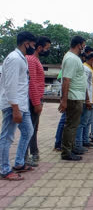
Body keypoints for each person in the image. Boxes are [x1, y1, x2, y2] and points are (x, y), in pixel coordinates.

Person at [0, 31, 37, 180]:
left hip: (21, 104)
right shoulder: (15, 59)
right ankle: (4, 169)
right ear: (26, 43)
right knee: (7, 136)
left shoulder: (22, 58)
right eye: (33, 45)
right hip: (12, 104)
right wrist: (15, 108)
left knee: (28, 130)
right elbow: (10, 85)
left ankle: (19, 163)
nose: (33, 48)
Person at [58, 36, 87, 161]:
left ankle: (71, 147)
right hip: (73, 97)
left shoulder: (74, 58)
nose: (84, 48)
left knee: (73, 125)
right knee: (71, 125)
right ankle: (66, 152)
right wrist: (64, 100)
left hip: (76, 96)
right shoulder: (71, 58)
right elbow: (66, 79)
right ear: (78, 45)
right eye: (83, 45)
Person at [25, 36, 51, 167]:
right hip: (33, 100)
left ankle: (34, 153)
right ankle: (25, 156)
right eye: (47, 48)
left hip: (36, 98)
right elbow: (32, 82)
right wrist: (36, 102)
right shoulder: (31, 60)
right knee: (29, 129)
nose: (47, 51)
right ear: (39, 47)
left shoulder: (36, 60)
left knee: (33, 128)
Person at [74, 52, 93, 154]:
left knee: (88, 122)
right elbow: (84, 85)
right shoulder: (85, 68)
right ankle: (78, 144)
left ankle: (85, 141)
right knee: (82, 123)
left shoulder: (92, 70)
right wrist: (87, 100)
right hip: (88, 100)